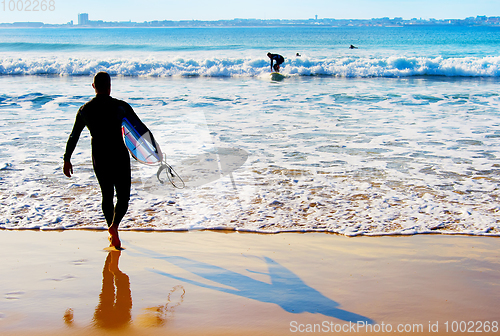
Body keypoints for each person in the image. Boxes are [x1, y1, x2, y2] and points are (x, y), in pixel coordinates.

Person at [63, 71, 142, 249]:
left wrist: (67, 159)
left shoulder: (85, 110)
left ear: (94, 87)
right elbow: (138, 129)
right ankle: (114, 226)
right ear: (110, 86)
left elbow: (74, 136)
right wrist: (151, 153)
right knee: (123, 197)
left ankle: (112, 231)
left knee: (107, 196)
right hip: (119, 154)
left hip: (99, 155)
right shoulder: (121, 107)